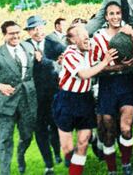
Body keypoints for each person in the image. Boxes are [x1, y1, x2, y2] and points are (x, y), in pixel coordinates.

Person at [53, 24, 117, 175]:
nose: (86, 36)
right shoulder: (69, 55)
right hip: (67, 100)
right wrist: (104, 62)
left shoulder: (90, 48)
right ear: (72, 40)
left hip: (85, 99)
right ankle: (72, 163)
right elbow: (83, 74)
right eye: (80, 34)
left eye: (86, 33)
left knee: (82, 142)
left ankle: (76, 169)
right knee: (68, 149)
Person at [0, 21, 38, 175]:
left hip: (28, 102)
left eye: (17, 32)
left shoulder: (28, 48)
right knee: (4, 141)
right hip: (6, 105)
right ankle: (4, 172)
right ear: (4, 35)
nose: (15, 36)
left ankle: (20, 156)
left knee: (27, 136)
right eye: (11, 33)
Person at [91, 1, 133, 175]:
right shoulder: (98, 37)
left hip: (127, 83)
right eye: (111, 14)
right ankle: (112, 170)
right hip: (107, 85)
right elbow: (94, 66)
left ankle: (126, 164)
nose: (115, 17)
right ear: (106, 17)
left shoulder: (129, 33)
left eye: (118, 13)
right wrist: (115, 67)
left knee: (126, 128)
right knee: (109, 131)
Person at [24, 15, 66, 174]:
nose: (37, 31)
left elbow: (64, 62)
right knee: (39, 129)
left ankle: (56, 152)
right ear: (28, 32)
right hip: (34, 97)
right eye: (33, 29)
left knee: (55, 127)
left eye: (40, 27)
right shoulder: (25, 46)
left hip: (54, 95)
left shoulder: (54, 44)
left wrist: (45, 61)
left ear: (44, 28)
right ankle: (48, 165)